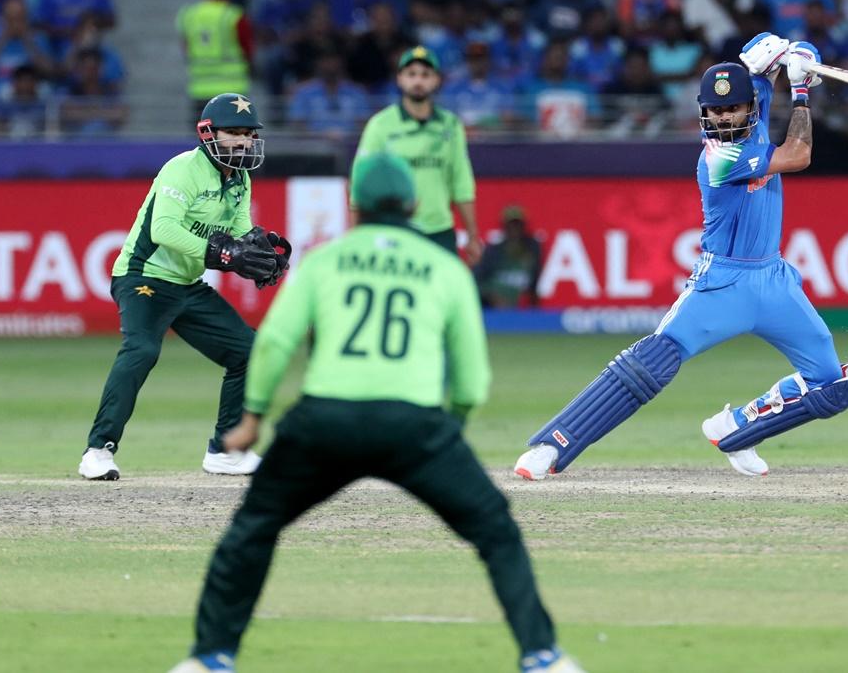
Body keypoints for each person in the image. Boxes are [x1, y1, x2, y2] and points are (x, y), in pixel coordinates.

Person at [168, 153, 584, 673]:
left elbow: (274, 344)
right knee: (495, 531)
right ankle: (541, 656)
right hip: (415, 427)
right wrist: (446, 433)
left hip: (325, 421)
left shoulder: (325, 261)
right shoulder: (444, 268)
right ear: (412, 204)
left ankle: (210, 658)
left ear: (354, 206)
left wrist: (252, 417)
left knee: (253, 529)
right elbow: (473, 377)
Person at [513, 33, 848, 481]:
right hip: (721, 284)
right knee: (652, 363)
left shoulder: (753, 100)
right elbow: (798, 155)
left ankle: (736, 428)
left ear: (749, 108)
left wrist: (795, 55)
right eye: (714, 111)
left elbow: (759, 57)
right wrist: (801, 89)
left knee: (833, 384)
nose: (723, 117)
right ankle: (552, 445)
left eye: (731, 109)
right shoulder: (718, 158)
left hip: (774, 282)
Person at [79, 92, 291, 481]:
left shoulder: (240, 178)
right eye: (233, 133)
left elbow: (240, 231)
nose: (243, 141)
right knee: (142, 348)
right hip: (143, 277)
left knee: (249, 351)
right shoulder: (183, 169)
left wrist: (258, 249)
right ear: (208, 133)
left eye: (248, 133)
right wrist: (224, 256)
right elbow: (163, 230)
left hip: (188, 285)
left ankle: (226, 452)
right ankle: (98, 450)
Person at [356, 46, 482, 263]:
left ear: (436, 80)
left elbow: (461, 182)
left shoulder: (450, 125)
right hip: (395, 229)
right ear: (400, 79)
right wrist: (357, 235)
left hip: (440, 230)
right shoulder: (380, 125)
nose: (418, 81)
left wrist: (472, 234)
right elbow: (361, 181)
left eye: (425, 75)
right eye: (411, 74)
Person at [176, 0, 253, 121]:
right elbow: (247, 48)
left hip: (199, 87)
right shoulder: (234, 15)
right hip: (232, 87)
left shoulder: (189, 14)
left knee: (205, 136)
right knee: (233, 135)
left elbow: (186, 46)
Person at [476, 205, 543, 308]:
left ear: (523, 227)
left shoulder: (533, 251)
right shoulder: (493, 252)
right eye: (510, 225)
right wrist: (491, 296)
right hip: (494, 310)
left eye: (517, 225)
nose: (514, 229)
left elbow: (533, 286)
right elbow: (476, 282)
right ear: (504, 227)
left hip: (522, 310)